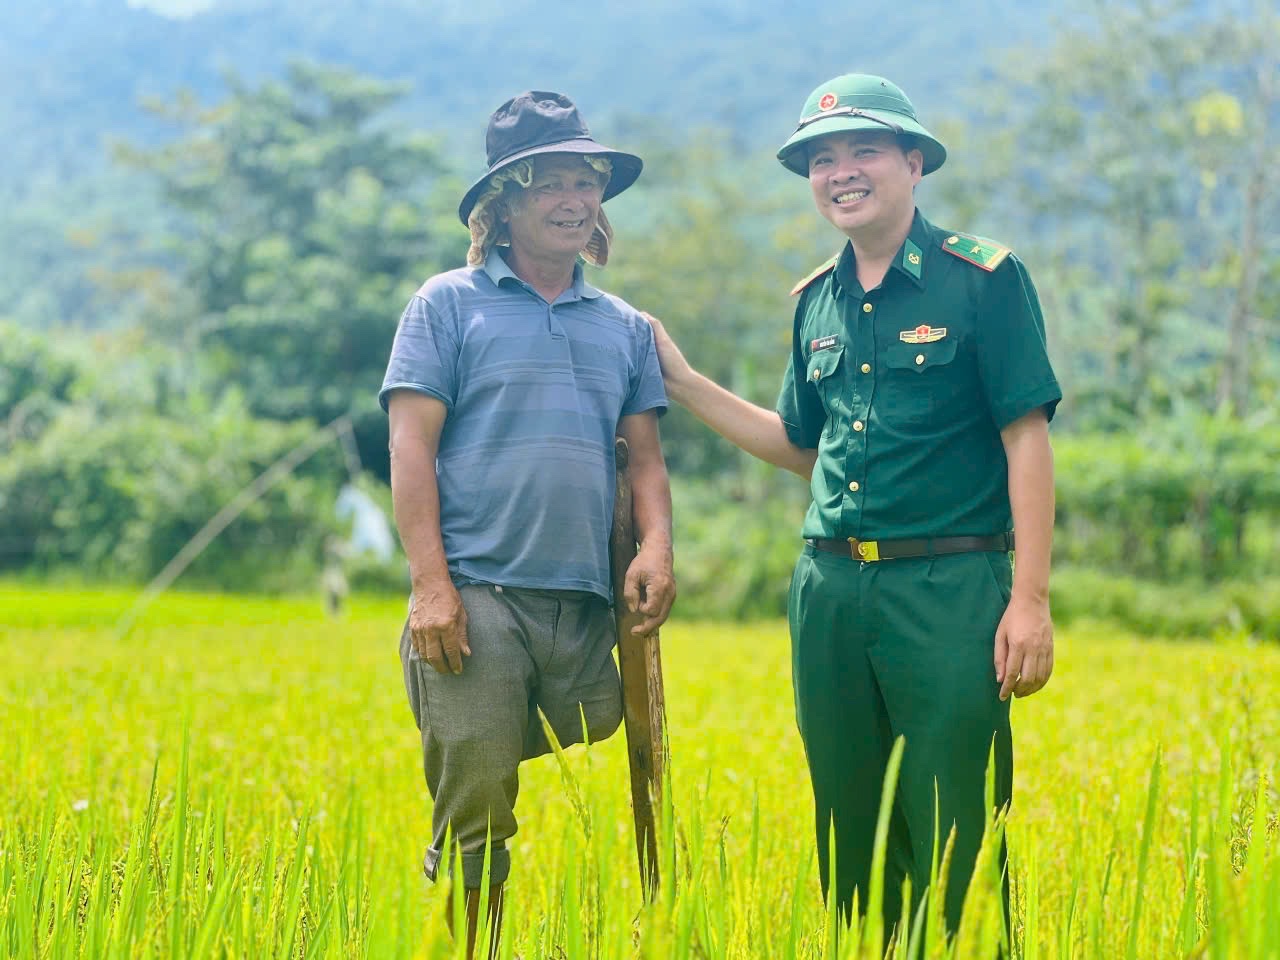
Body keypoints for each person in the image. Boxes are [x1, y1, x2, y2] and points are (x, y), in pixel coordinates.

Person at [645, 73, 1060, 937]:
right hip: (828, 593)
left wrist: (1029, 600)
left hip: (949, 588)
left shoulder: (982, 280)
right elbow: (805, 446)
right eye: (821, 159)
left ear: (914, 162)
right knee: (850, 826)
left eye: (863, 150)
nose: (842, 172)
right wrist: (682, 383)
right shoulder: (815, 303)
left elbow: (1027, 440)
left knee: (956, 824)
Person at [379, 90, 676, 958]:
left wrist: (657, 543)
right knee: (478, 814)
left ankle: (476, 749)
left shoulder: (624, 327)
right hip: (477, 596)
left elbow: (646, 459)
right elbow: (410, 447)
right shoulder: (446, 305)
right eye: (549, 181)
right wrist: (431, 586)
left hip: (582, 607)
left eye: (586, 181)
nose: (574, 199)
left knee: (586, 724)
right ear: (500, 202)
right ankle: (469, 940)